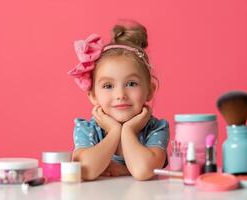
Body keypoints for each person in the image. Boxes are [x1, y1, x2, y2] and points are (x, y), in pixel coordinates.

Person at [68, 21, 170, 181]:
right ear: (93, 95)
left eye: (131, 84)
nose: (120, 94)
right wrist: (114, 131)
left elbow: (143, 171)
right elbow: (85, 171)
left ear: (149, 90)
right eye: (108, 85)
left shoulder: (155, 128)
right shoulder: (87, 129)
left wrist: (128, 130)